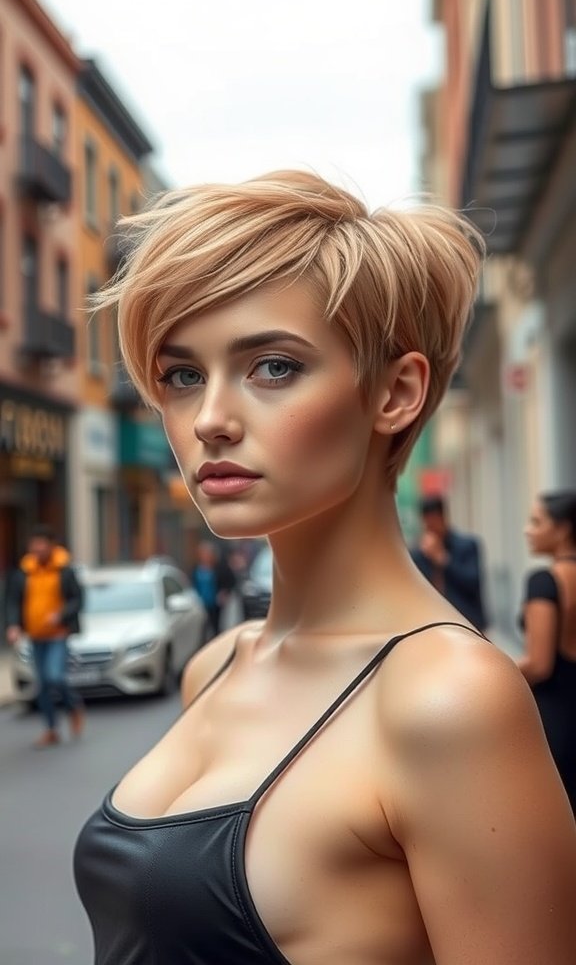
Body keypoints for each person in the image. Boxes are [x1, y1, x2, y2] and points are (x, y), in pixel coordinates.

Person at [74, 171, 576, 965]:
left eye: (273, 367)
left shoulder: (446, 701)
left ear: (396, 393)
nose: (210, 420)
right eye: (181, 375)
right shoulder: (215, 667)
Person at [518, 491, 576, 813]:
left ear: (563, 529)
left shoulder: (544, 581)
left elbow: (539, 665)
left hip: (559, 722)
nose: (528, 530)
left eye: (537, 522)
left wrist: (495, 672)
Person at [5, 524, 84, 747]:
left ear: (51, 546)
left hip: (58, 634)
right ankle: (51, 729)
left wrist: (61, 615)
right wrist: (13, 625)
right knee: (42, 685)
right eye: (34, 545)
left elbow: (77, 599)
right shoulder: (23, 572)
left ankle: (72, 706)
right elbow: (13, 600)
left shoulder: (65, 570)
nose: (38, 549)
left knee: (55, 677)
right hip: (35, 635)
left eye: (42, 545)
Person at [411, 494, 487, 631]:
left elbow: (472, 582)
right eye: (427, 523)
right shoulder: (419, 554)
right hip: (433, 624)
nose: (431, 527)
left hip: (468, 623)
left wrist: (442, 559)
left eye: (434, 521)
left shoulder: (467, 546)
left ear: (443, 517)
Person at [190, 538, 236, 641]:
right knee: (202, 628)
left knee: (216, 627)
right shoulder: (196, 568)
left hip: (216, 603)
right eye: (203, 553)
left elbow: (231, 581)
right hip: (201, 603)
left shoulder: (221, 567)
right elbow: (193, 584)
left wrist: (224, 592)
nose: (205, 555)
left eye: (207, 553)